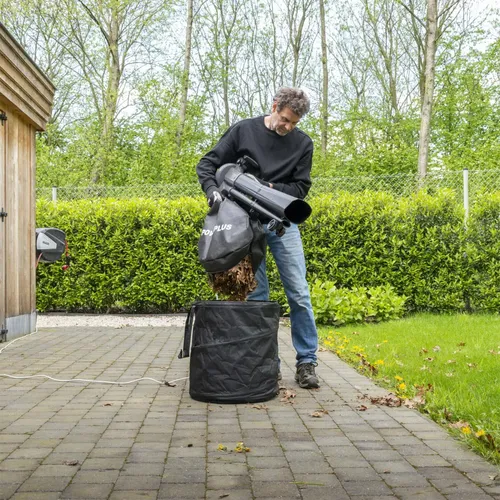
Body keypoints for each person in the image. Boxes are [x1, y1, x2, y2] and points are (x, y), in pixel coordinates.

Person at [195, 87, 319, 389]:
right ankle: (266, 364)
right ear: (274, 106)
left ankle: (306, 362)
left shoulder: (303, 144)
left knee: (299, 293)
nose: (288, 127)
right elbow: (207, 164)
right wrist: (213, 192)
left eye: (294, 123)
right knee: (256, 297)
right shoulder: (243, 131)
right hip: (245, 227)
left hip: (283, 222)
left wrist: (268, 187)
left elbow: (300, 188)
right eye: (285, 119)